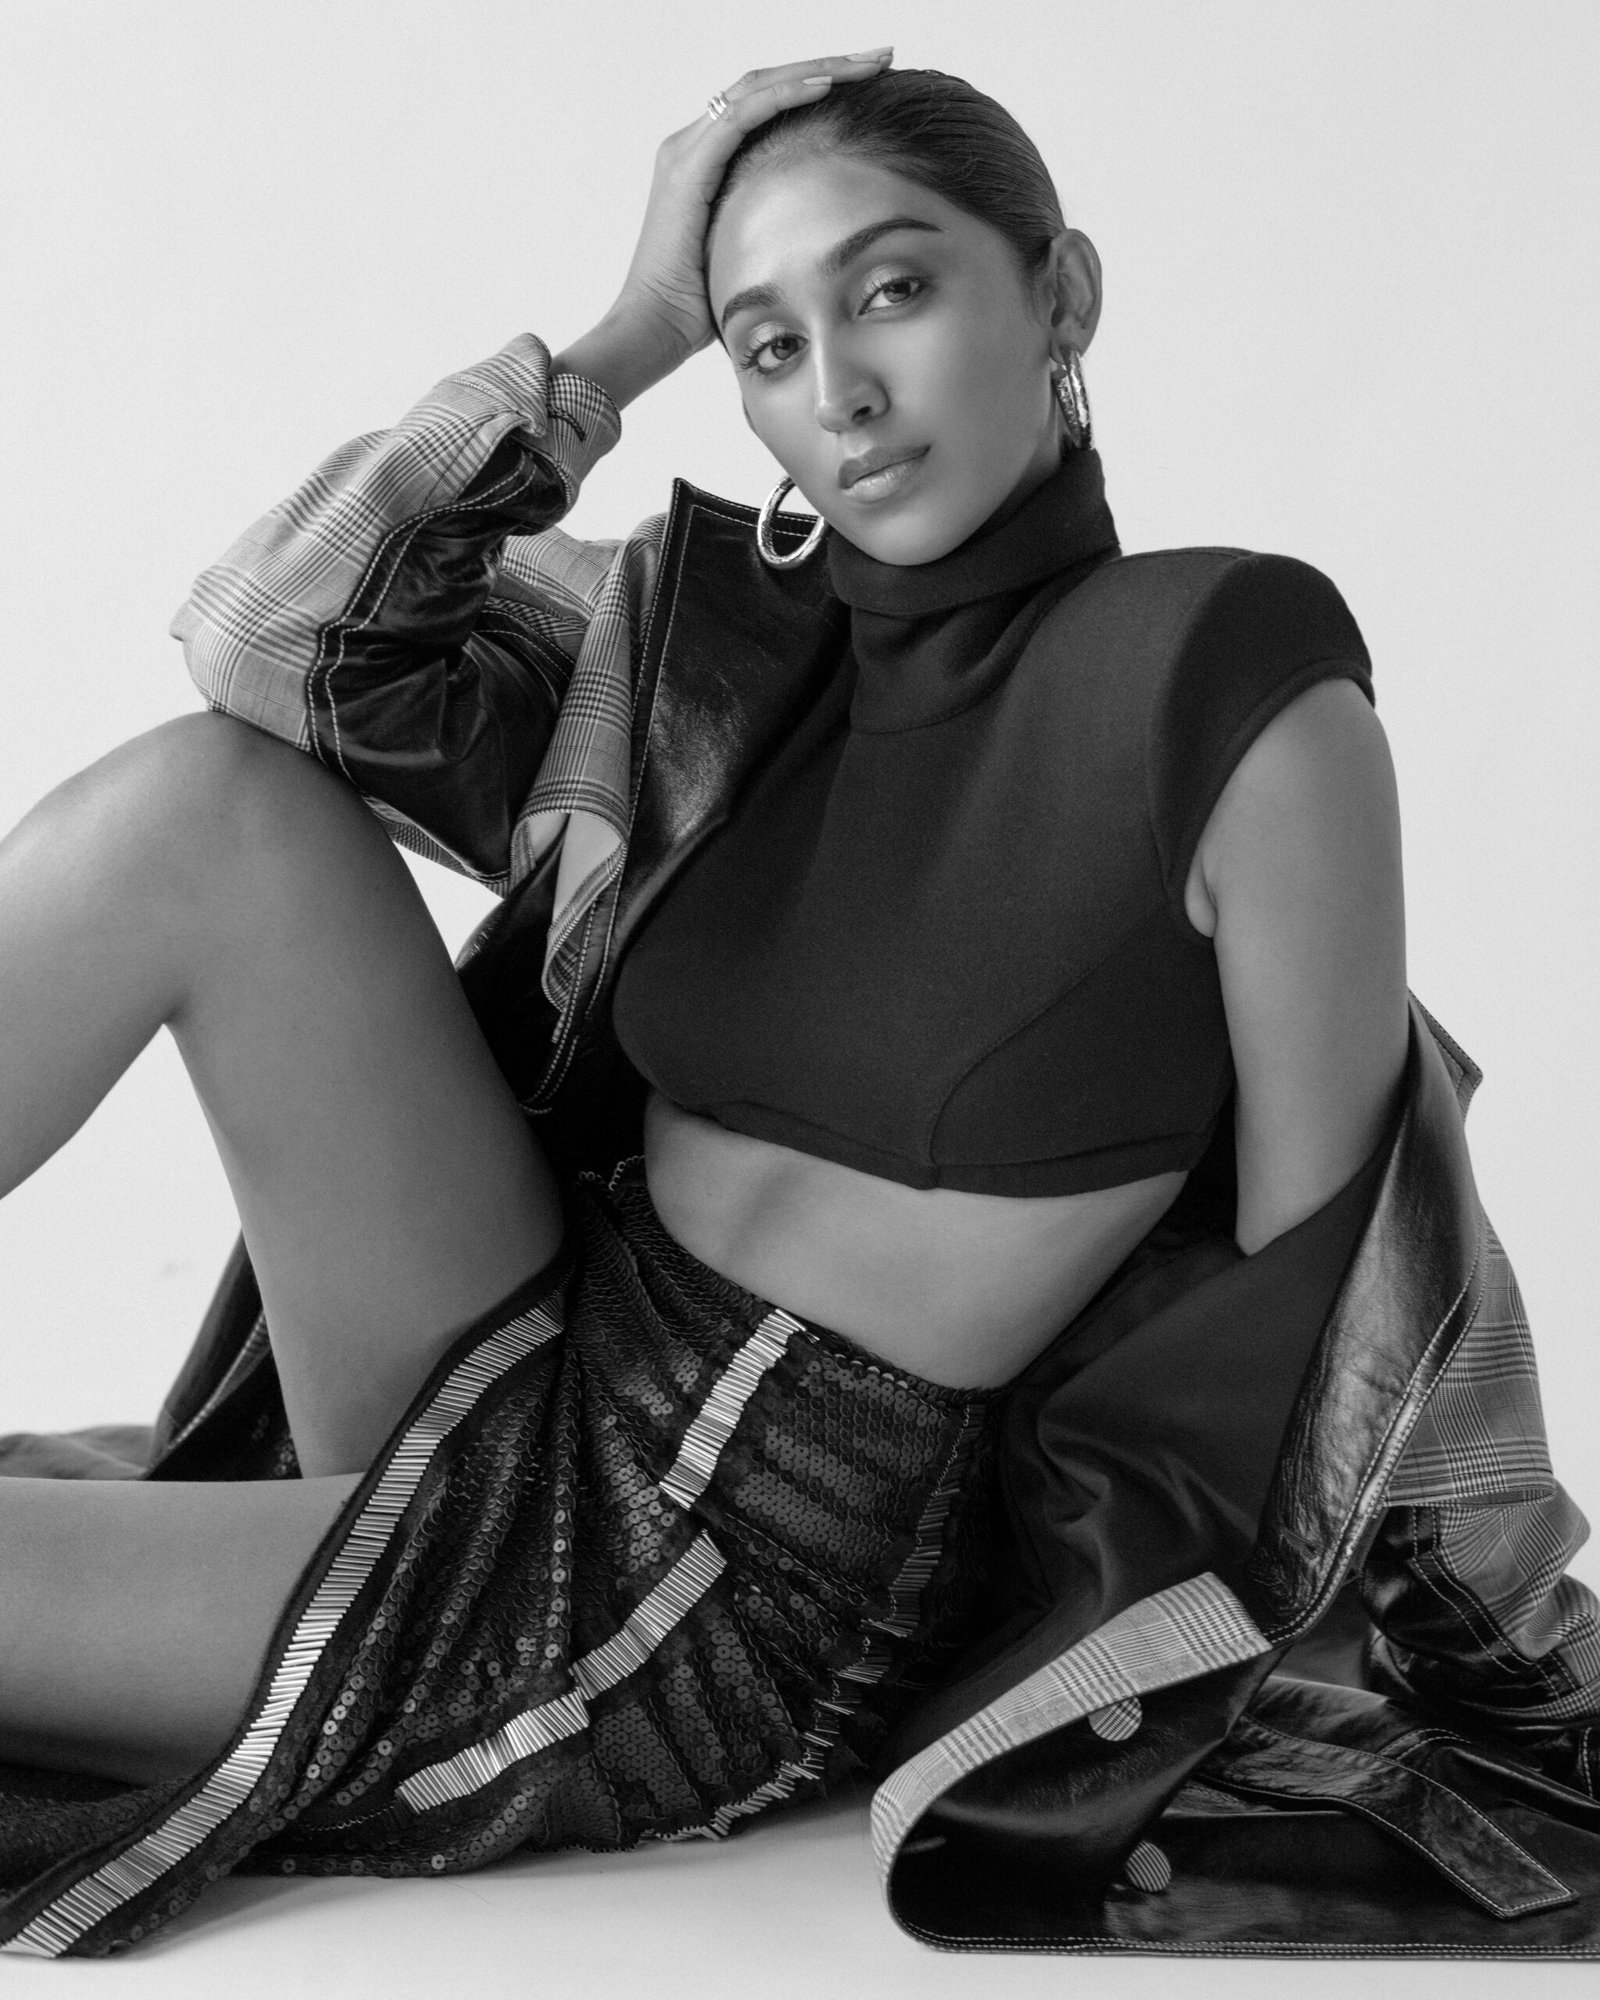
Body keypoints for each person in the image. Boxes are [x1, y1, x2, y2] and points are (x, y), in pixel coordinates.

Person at [0, 54, 1595, 1960]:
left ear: (1063, 296)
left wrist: (1505, 1650)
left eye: (894, 290)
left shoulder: (1223, 680)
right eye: (767, 343)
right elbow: (271, 639)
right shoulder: (721, 657)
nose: (836, 391)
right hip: (522, 1350)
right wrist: (631, 331)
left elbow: (1355, 1285)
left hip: (701, 1596)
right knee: (210, 802)